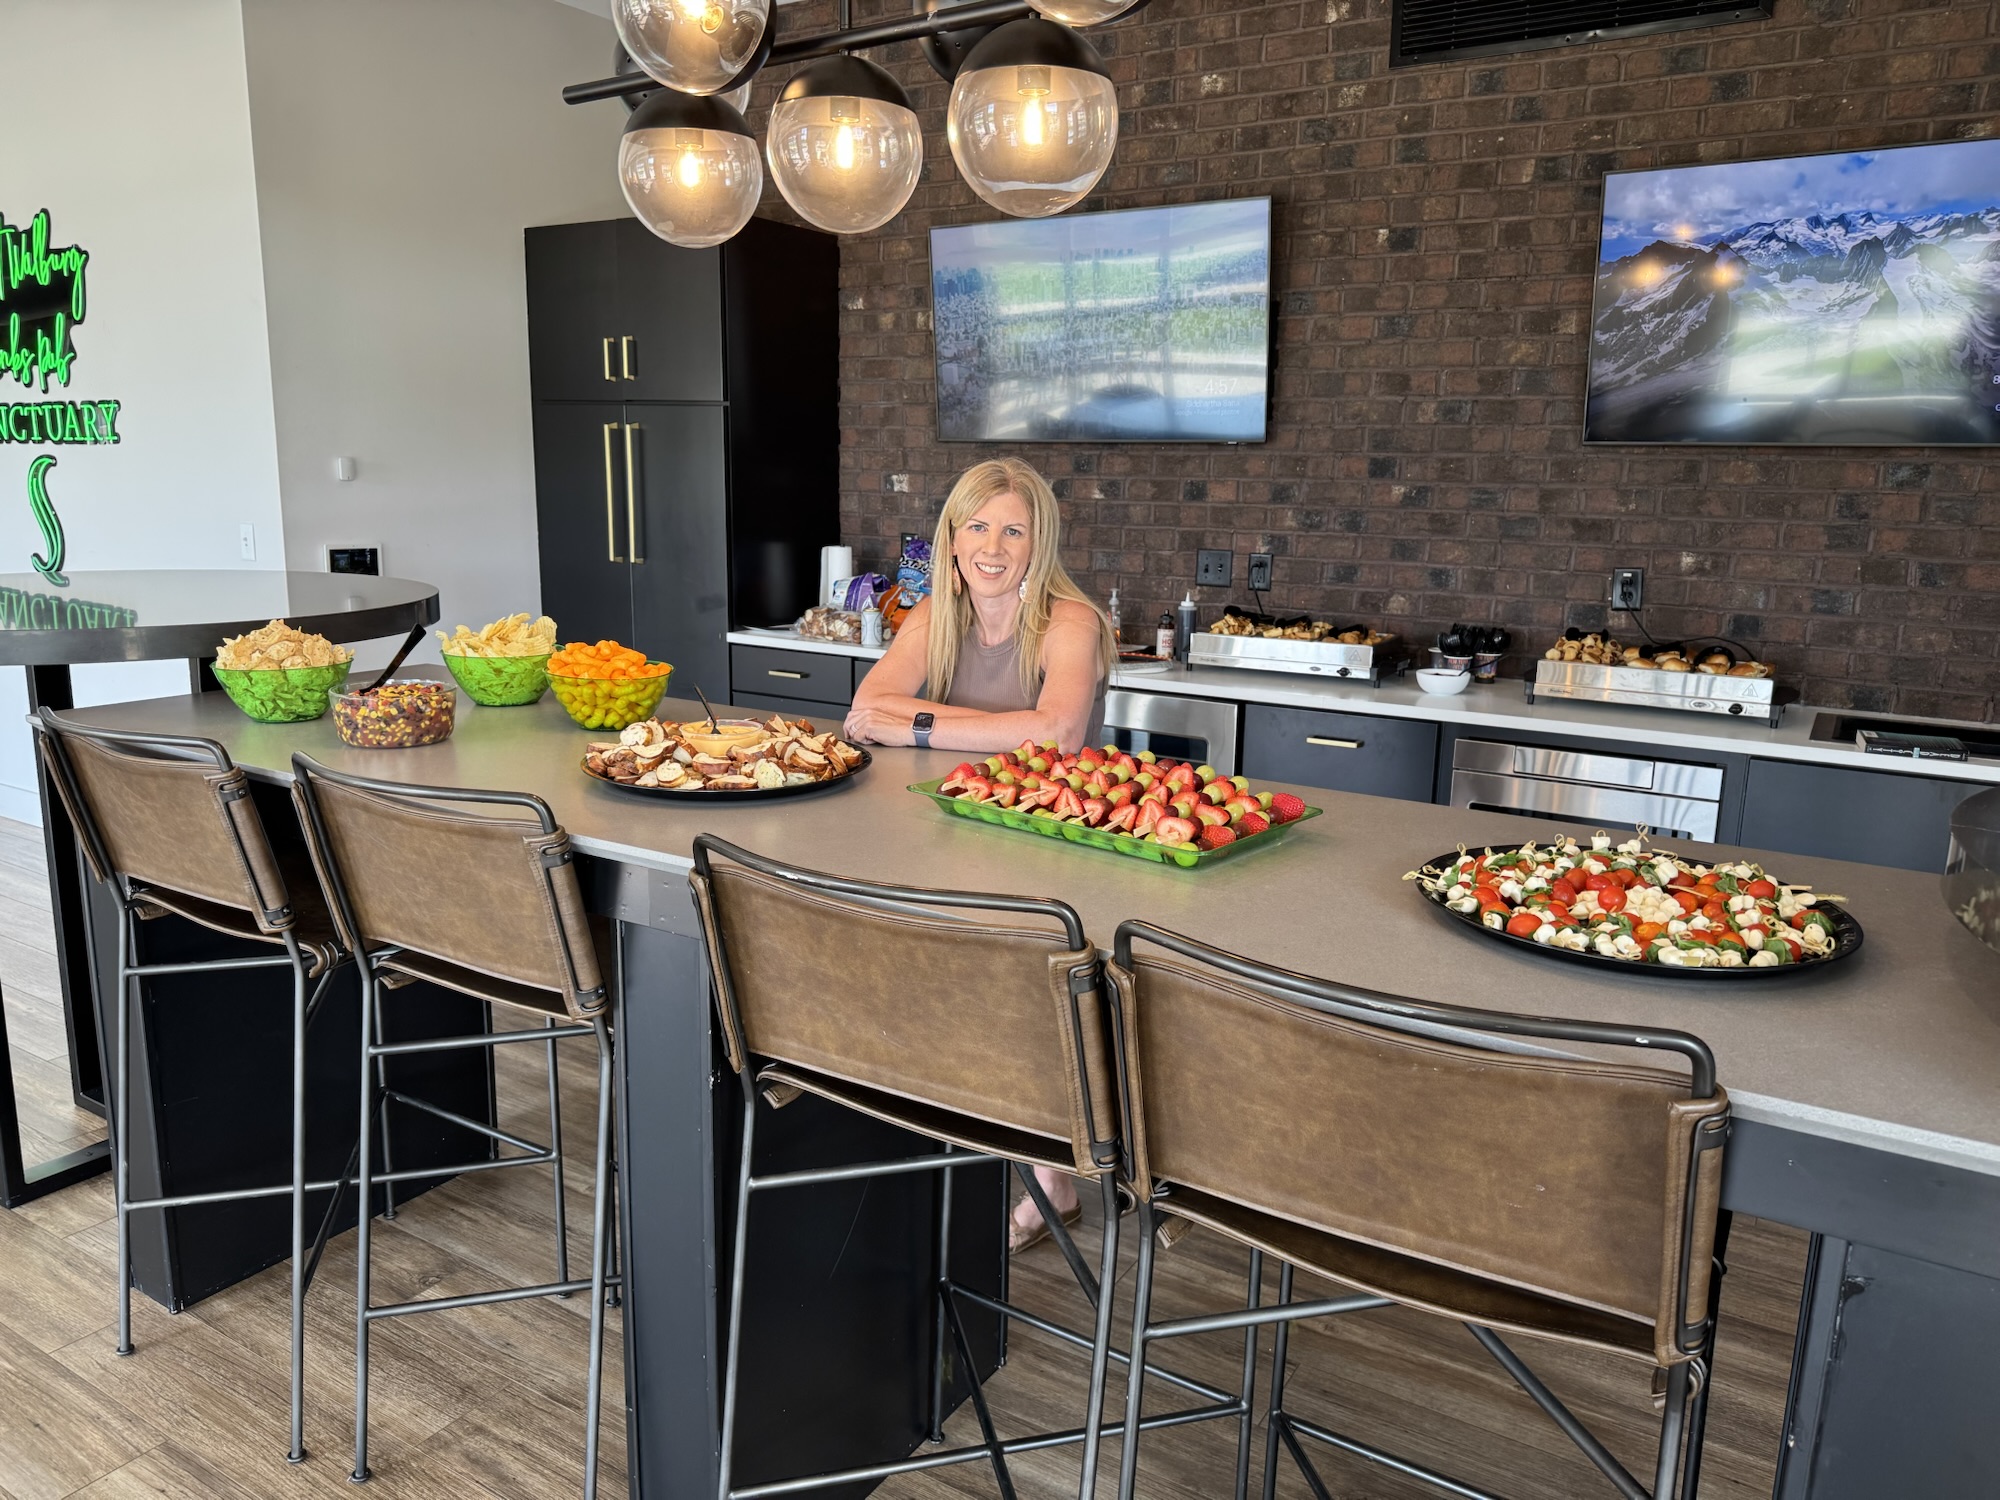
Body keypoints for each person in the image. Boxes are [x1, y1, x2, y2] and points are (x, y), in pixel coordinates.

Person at [843, 456, 1115, 1253]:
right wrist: (977, 729)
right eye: (978, 526)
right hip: (949, 833)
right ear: (953, 536)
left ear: (1039, 543)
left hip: (1048, 847)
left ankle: (1054, 1180)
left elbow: (1056, 733)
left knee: (1014, 1005)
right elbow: (863, 714)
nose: (992, 545)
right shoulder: (934, 616)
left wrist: (921, 724)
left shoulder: (1071, 621)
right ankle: (965, 1141)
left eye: (1014, 529)